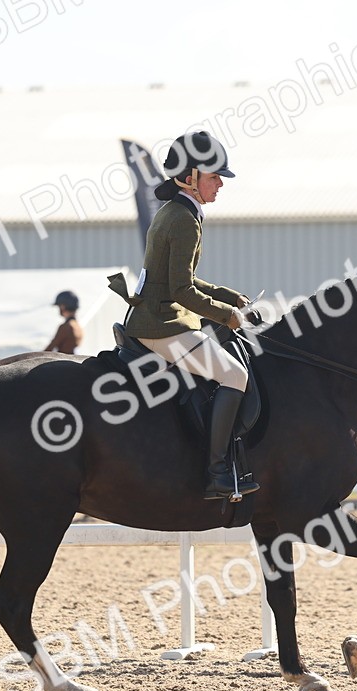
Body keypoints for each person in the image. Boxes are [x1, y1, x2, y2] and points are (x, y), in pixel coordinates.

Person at [120, 130, 259, 501]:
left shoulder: (177, 211)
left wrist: (223, 294)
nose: (220, 185)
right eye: (214, 177)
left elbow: (183, 278)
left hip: (158, 316)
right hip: (163, 325)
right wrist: (227, 315)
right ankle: (217, 472)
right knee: (235, 375)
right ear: (190, 177)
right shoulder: (183, 219)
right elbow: (181, 291)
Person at [45, 290, 83, 354]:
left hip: (62, 361)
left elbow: (50, 348)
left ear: (63, 306)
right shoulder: (78, 327)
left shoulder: (65, 327)